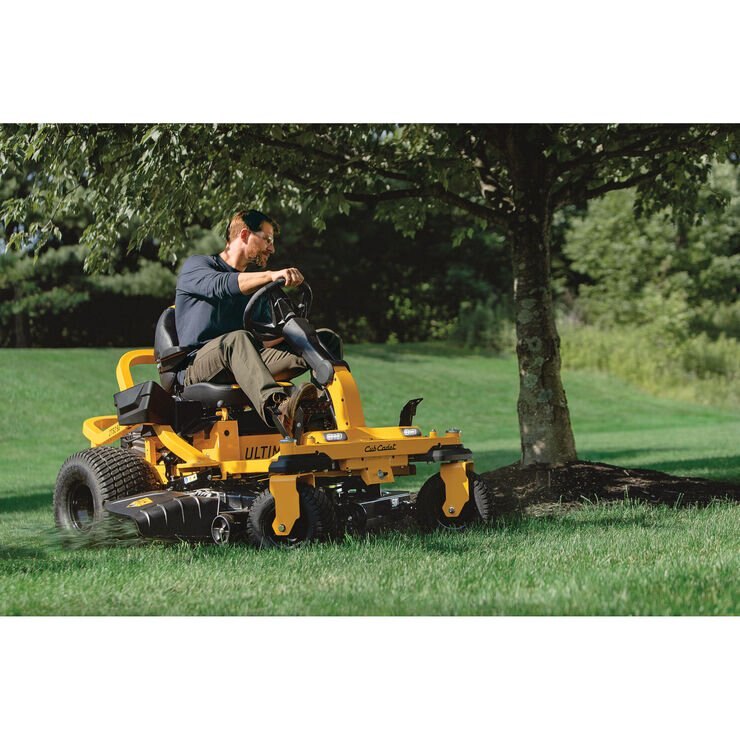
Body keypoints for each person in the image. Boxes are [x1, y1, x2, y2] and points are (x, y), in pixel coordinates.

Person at [174, 208, 341, 436]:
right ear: (244, 235)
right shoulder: (198, 266)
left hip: (246, 360)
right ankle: (279, 409)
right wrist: (271, 275)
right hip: (196, 366)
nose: (272, 248)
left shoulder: (257, 290)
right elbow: (221, 286)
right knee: (238, 339)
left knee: (323, 341)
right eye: (267, 240)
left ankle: (323, 412)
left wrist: (298, 332)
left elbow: (265, 338)